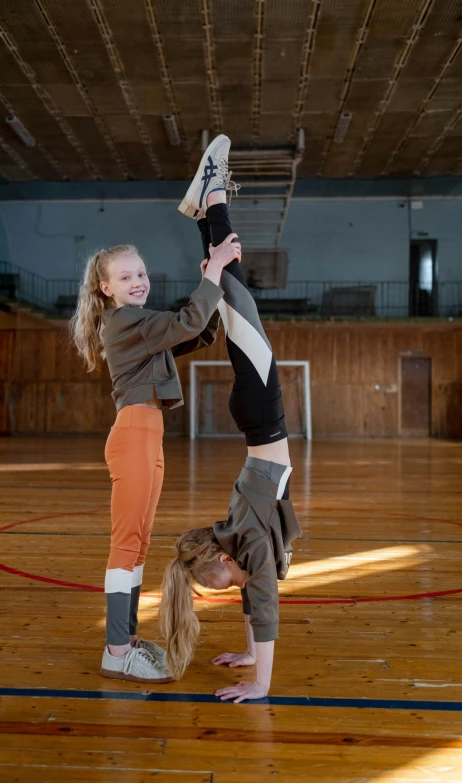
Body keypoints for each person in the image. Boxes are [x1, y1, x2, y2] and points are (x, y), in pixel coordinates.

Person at [70, 134, 241, 684]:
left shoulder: (139, 325)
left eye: (141, 274)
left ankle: (123, 642)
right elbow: (188, 323)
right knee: (127, 543)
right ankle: (115, 651)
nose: (137, 281)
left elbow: (192, 332)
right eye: (126, 277)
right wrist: (212, 271)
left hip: (147, 434)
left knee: (138, 541)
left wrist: (214, 292)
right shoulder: (123, 323)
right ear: (106, 289)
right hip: (135, 435)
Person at [160, 135, 302, 702]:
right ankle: (203, 207)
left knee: (235, 291)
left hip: (264, 417)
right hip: (254, 420)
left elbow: (262, 604)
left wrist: (260, 683)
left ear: (225, 559)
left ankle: (213, 190)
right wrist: (245, 654)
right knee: (231, 297)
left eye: (228, 579)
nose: (239, 586)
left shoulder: (252, 551)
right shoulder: (234, 538)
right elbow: (251, 599)